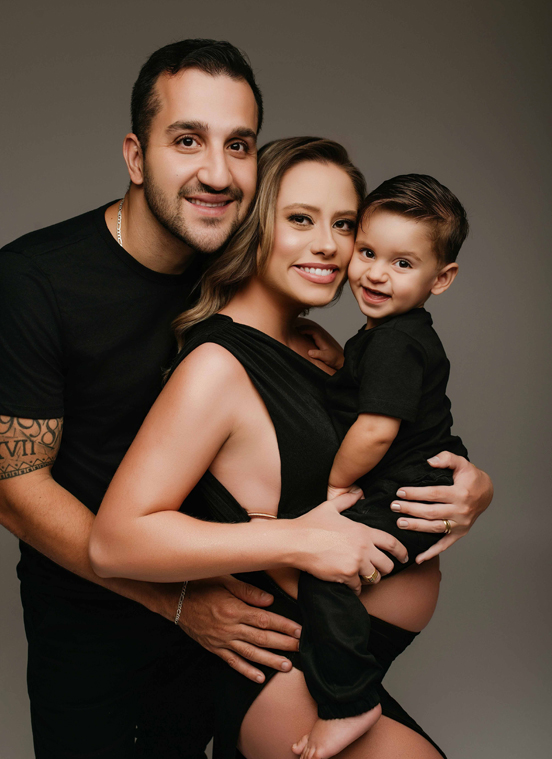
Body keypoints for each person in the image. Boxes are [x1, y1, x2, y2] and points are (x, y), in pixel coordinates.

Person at [90, 137, 493, 759]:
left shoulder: (320, 346)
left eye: (344, 224)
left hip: (337, 664)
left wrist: (474, 490)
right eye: (301, 219)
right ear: (254, 224)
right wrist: (300, 540)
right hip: (286, 669)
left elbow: (391, 446)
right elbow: (115, 542)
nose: (329, 245)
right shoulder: (217, 364)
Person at [291, 174, 472, 759]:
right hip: (416, 481)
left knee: (326, 570)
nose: (374, 274)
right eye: (367, 252)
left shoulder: (395, 342)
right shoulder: (389, 336)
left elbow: (375, 430)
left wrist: (335, 485)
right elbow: (377, 391)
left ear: (441, 278)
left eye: (402, 263)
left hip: (410, 491)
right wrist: (343, 362)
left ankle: (350, 701)